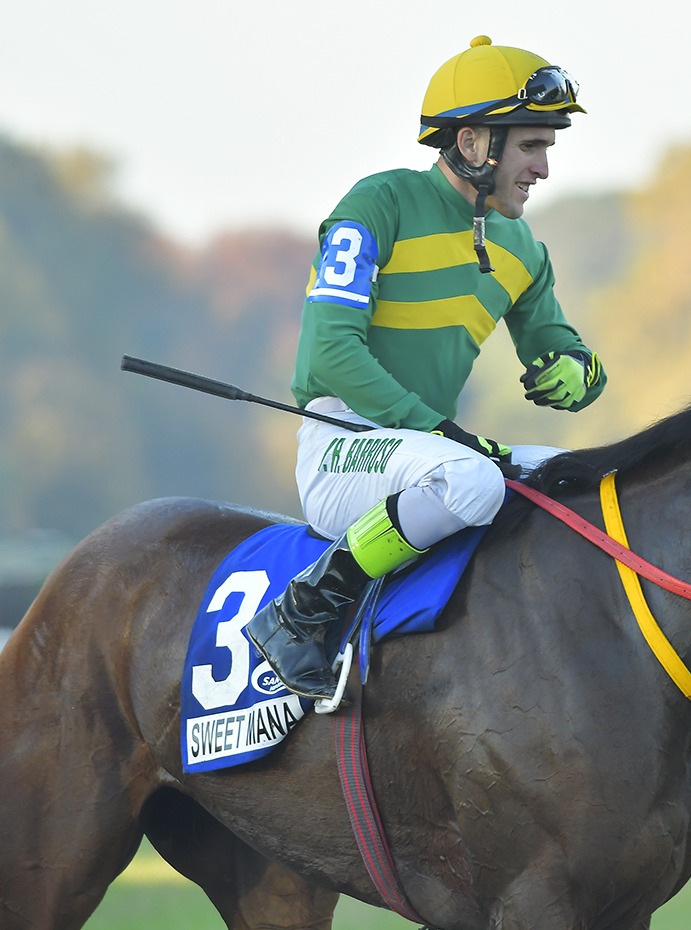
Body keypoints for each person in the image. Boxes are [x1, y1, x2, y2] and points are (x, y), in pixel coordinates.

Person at [247, 35, 606, 702]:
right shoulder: (378, 205)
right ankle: (304, 609)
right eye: (531, 146)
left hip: (427, 448)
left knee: (579, 478)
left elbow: (561, 346)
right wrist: (436, 430)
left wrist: (579, 373)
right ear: (473, 143)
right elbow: (331, 353)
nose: (543, 169)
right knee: (471, 479)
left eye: (548, 147)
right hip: (343, 444)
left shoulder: (524, 249)